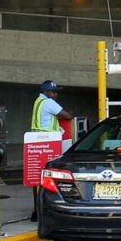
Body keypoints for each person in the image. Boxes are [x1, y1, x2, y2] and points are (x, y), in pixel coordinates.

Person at [30, 79, 73, 220]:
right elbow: (68, 115)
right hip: (48, 143)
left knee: (37, 177)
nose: (56, 95)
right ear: (46, 92)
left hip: (36, 142)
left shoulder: (38, 101)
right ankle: (50, 207)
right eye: (53, 92)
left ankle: (36, 210)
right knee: (51, 176)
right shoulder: (49, 103)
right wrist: (67, 111)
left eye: (56, 92)